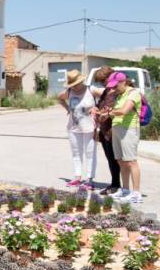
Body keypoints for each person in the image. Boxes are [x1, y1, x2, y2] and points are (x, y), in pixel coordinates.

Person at [99, 72, 143, 203]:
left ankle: (136, 193)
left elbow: (124, 111)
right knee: (121, 161)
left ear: (123, 82)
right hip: (117, 129)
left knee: (131, 162)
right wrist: (104, 113)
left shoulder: (133, 93)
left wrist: (108, 112)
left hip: (129, 130)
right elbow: (115, 112)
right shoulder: (119, 95)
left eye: (116, 85)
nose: (113, 88)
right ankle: (125, 190)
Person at [57, 69, 97, 189]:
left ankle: (90, 179)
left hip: (89, 127)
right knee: (76, 153)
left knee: (90, 153)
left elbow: (106, 96)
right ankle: (77, 177)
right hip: (73, 127)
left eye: (75, 84)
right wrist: (68, 109)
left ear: (81, 81)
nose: (74, 87)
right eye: (72, 85)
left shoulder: (91, 90)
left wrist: (98, 108)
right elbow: (59, 98)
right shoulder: (69, 91)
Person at [90, 66, 122, 195]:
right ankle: (114, 183)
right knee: (110, 158)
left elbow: (120, 109)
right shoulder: (106, 91)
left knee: (116, 159)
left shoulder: (118, 92)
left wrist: (107, 112)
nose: (103, 83)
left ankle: (117, 185)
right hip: (104, 130)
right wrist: (95, 109)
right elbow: (100, 105)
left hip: (114, 129)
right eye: (101, 81)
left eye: (104, 80)